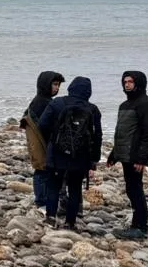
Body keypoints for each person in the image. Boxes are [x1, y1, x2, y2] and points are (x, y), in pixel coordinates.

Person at [37, 75, 102, 231]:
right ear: (89, 92)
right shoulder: (93, 109)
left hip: (57, 153)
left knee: (53, 185)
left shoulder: (57, 103)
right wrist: (94, 160)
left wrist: (54, 138)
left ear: (71, 88)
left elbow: (42, 125)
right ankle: (70, 222)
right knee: (75, 188)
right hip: (80, 157)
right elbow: (97, 136)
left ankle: (51, 217)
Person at [107, 70, 148, 240]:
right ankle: (136, 224)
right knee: (130, 188)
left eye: (130, 81)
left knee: (135, 189)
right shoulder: (124, 105)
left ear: (139, 83)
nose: (127, 84)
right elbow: (121, 132)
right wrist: (114, 154)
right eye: (125, 81)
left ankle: (141, 227)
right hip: (125, 154)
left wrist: (142, 158)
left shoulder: (146, 104)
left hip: (136, 156)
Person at [20, 71, 65, 222]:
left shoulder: (41, 100)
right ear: (45, 84)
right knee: (42, 171)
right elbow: (44, 125)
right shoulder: (43, 102)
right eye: (54, 84)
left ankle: (44, 201)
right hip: (41, 142)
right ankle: (42, 201)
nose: (56, 88)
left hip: (40, 141)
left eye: (58, 85)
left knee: (42, 171)